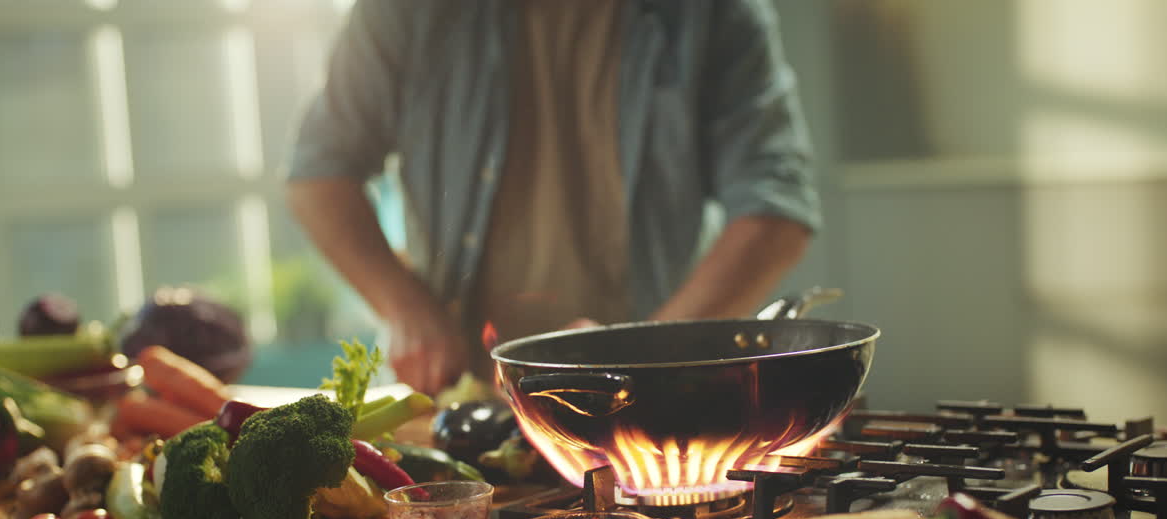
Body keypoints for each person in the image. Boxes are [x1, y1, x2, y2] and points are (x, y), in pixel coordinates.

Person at [286, 0, 820, 395]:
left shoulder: (715, 13)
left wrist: (646, 350)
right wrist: (404, 305)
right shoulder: (406, 11)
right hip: (457, 391)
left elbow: (774, 203)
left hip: (644, 399)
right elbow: (319, 176)